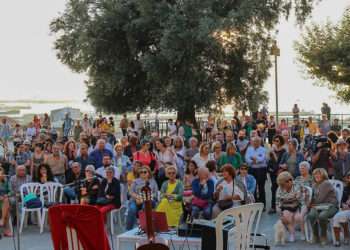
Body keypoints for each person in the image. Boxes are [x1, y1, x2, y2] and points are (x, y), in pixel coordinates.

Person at [307, 168, 338, 245]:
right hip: (318, 206)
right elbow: (313, 198)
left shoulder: (325, 183)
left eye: (319, 174)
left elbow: (320, 199)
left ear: (323, 175)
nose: (316, 176)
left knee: (322, 216)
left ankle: (324, 236)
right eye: (315, 174)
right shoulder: (314, 185)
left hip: (331, 206)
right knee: (311, 215)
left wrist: (310, 203)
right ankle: (315, 235)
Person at [276, 172, 307, 242]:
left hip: (299, 205)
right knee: (286, 217)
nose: (289, 182)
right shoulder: (280, 188)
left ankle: (303, 233)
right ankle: (292, 234)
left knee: (298, 217)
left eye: (290, 180)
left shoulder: (297, 186)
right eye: (283, 184)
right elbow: (278, 203)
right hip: (287, 207)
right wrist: (280, 215)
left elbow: (301, 200)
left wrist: (289, 200)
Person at [126, 166, 158, 230]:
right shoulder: (135, 181)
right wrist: (138, 197)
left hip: (149, 200)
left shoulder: (153, 182)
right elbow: (131, 192)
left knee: (145, 207)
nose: (143, 173)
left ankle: (145, 228)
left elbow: (155, 193)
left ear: (148, 173)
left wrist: (143, 199)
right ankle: (128, 230)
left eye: (145, 172)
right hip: (136, 200)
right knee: (132, 209)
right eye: (141, 172)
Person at [245, 137, 267, 209]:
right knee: (252, 187)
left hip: (261, 170)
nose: (255, 143)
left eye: (257, 142)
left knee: (261, 187)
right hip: (251, 169)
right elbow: (247, 158)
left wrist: (254, 159)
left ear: (260, 143)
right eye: (254, 142)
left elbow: (262, 159)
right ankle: (254, 204)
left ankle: (262, 205)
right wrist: (253, 160)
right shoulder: (249, 149)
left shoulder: (263, 149)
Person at [267, 135, 286, 214]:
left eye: (277, 141)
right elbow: (269, 160)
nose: (275, 142)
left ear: (281, 141)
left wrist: (274, 152)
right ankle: (273, 206)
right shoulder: (272, 150)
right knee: (273, 188)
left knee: (281, 189)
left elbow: (279, 162)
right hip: (272, 172)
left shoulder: (283, 151)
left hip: (280, 172)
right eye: (274, 141)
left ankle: (283, 206)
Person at [332, 171, 350, 247]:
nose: (349, 178)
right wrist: (343, 205)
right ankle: (338, 240)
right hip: (347, 210)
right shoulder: (346, 188)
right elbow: (342, 201)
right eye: (348, 177)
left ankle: (346, 235)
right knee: (338, 217)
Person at [0, 166, 11, 237]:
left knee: (6, 201)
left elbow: (10, 191)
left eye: (1, 172)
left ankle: (2, 220)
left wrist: (7, 195)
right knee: (7, 209)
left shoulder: (6, 181)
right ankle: (6, 230)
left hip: (4, 200)